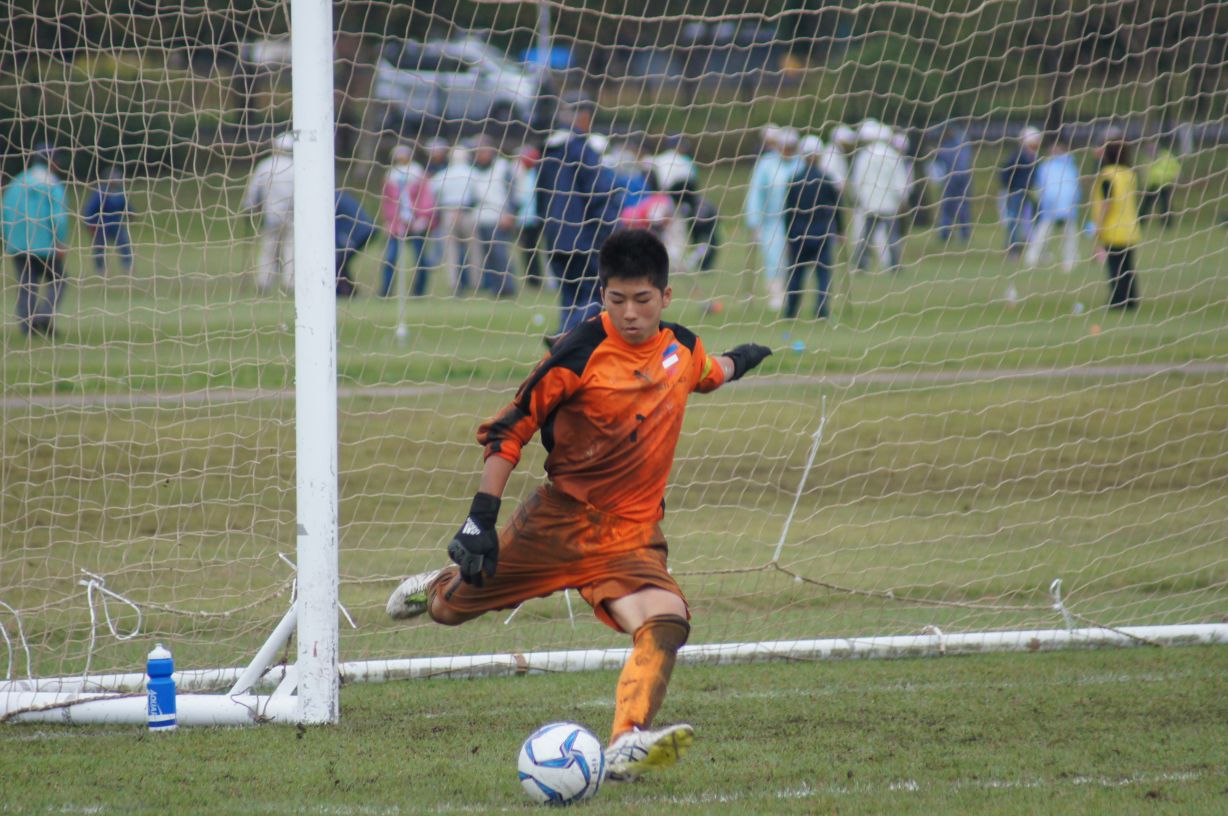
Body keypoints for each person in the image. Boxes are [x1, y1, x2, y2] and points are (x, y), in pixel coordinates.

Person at [386, 228, 772, 781]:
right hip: (558, 522)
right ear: (602, 294)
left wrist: (740, 359)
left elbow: (709, 374)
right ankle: (437, 585)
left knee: (667, 620)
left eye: (643, 300)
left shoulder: (683, 348)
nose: (630, 313)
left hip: (631, 538)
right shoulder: (577, 352)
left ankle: (626, 741)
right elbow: (510, 429)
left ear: (665, 296)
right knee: (450, 611)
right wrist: (480, 519)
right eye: (617, 299)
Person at [536, 92, 626, 342]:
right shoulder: (584, 149)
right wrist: (613, 230)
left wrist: (546, 229)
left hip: (556, 236)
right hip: (585, 236)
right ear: (584, 116)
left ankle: (565, 341)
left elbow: (540, 196)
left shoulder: (548, 150)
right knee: (594, 295)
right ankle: (566, 335)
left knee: (569, 295)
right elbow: (599, 193)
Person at [2, 143, 70, 337]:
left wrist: (7, 238)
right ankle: (44, 316)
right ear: (52, 161)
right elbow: (58, 216)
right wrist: (59, 241)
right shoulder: (52, 184)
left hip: (18, 243)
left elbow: (4, 213)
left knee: (27, 284)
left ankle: (27, 325)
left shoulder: (18, 181)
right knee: (59, 280)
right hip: (44, 243)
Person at [783, 135, 843, 319]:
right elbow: (837, 207)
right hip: (821, 231)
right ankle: (822, 309)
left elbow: (788, 211)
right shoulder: (827, 179)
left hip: (799, 232)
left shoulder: (795, 180)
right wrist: (841, 230)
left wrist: (787, 235)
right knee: (823, 272)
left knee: (796, 272)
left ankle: (791, 310)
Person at [745, 126, 801, 310]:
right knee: (773, 258)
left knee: (794, 258)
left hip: (797, 221)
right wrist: (754, 222)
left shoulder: (800, 163)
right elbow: (755, 193)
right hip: (772, 221)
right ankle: (777, 294)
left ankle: (793, 293)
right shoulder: (766, 164)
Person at [848, 119, 908, 273]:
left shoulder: (864, 155)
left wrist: (858, 197)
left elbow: (858, 179)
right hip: (889, 203)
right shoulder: (892, 154)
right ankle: (894, 264)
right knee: (892, 235)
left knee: (866, 236)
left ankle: (860, 263)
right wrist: (902, 198)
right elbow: (899, 179)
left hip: (870, 202)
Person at [1091, 139, 1142, 310]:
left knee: (1115, 267)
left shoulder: (1107, 175)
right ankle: (1131, 299)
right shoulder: (1129, 174)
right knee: (1127, 266)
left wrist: (1099, 226)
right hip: (1130, 227)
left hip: (1113, 228)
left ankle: (1118, 301)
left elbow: (1108, 202)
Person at [242, 132, 296, 292]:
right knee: (290, 250)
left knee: (269, 250)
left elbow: (253, 190)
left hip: (271, 216)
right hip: (291, 216)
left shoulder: (265, 165)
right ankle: (290, 283)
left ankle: (264, 282)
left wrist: (248, 207)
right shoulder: (296, 167)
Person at [378, 144, 432, 298]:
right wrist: (389, 220)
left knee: (420, 257)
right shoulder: (390, 176)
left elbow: (426, 197)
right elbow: (387, 201)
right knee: (390, 256)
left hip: (416, 221)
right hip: (397, 223)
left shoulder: (418, 173)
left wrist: (423, 217)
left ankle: (419, 291)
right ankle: (386, 290)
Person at [468, 136, 518, 298]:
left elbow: (512, 192)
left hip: (499, 217)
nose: (480, 154)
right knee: (487, 256)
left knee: (500, 253)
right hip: (481, 218)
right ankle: (495, 287)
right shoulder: (472, 169)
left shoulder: (502, 167)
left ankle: (507, 287)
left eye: (483, 150)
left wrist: (510, 213)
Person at [1024, 138, 1081, 272]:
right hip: (1055, 205)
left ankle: (1069, 260)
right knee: (1045, 232)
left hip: (1061, 205)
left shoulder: (1067, 166)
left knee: (1065, 234)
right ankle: (1033, 258)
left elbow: (1073, 185)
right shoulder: (1049, 166)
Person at [429, 142, 478, 296]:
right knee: (473, 250)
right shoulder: (472, 173)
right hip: (467, 211)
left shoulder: (443, 174)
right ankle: (475, 282)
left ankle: (454, 283)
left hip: (449, 211)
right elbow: (479, 192)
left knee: (451, 251)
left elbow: (432, 190)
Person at [81, 166, 133, 277]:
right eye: (114, 178)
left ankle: (127, 267)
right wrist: (90, 224)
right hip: (101, 226)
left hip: (116, 225)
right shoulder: (100, 192)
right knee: (100, 248)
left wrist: (131, 213)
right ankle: (101, 269)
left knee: (124, 245)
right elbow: (90, 210)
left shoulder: (119, 192)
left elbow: (125, 206)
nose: (117, 180)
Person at [999, 127, 1040, 256]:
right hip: (1016, 191)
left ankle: (1029, 243)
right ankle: (1013, 247)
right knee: (1014, 219)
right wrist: (1010, 186)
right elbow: (1006, 172)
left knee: (1031, 218)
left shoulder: (1033, 156)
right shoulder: (1018, 156)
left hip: (1028, 192)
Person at [511, 145, 547, 288]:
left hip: (539, 217)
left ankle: (547, 279)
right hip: (525, 219)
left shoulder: (539, 174)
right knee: (528, 250)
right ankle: (533, 279)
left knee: (545, 249)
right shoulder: (520, 175)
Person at [932, 125, 974, 243]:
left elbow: (947, 157)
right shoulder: (962, 140)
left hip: (955, 177)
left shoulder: (954, 143)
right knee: (960, 206)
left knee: (951, 206)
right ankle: (960, 233)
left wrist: (936, 152)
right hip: (963, 176)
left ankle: (948, 233)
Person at [334, 189, 376, 297]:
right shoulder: (337, 195)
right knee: (339, 263)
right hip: (365, 229)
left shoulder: (330, 198)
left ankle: (346, 293)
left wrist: (341, 241)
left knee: (336, 263)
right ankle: (349, 293)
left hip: (358, 232)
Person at [1140, 139, 1180, 229]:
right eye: (1149, 148)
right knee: (1146, 204)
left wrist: (1175, 179)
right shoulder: (1148, 158)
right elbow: (1144, 171)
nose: (1151, 150)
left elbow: (1176, 167)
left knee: (1166, 204)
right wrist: (1144, 183)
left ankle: (1167, 224)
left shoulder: (1166, 156)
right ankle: (1140, 221)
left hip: (1165, 184)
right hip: (1153, 184)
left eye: (1153, 147)